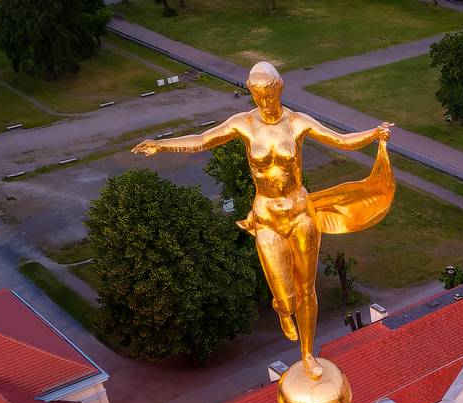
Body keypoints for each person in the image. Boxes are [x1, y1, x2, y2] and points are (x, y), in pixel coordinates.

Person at [133, 62, 394, 379]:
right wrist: (161, 145)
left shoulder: (297, 123)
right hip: (267, 216)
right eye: (257, 95)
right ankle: (283, 310)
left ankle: (309, 353)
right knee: (287, 297)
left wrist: (374, 134)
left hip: (300, 212)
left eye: (268, 94)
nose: (263, 102)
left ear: (279, 89)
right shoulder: (243, 124)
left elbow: (340, 140)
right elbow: (203, 140)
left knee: (307, 288)